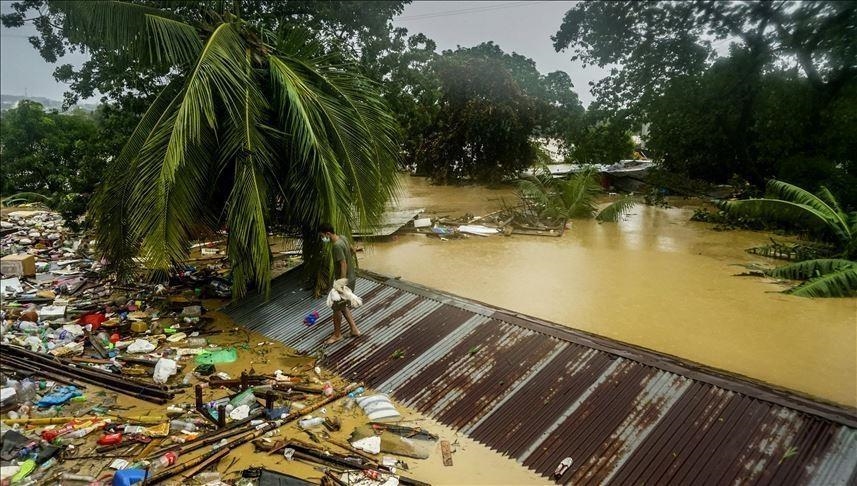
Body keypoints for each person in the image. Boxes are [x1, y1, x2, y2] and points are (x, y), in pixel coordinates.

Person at [319, 223, 360, 344]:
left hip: (344, 281)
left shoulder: (336, 246)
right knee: (342, 305)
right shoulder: (343, 238)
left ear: (328, 234)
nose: (323, 238)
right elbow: (352, 249)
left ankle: (337, 335)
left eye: (322, 236)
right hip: (351, 278)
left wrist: (341, 284)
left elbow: (343, 264)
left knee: (336, 308)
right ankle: (354, 330)